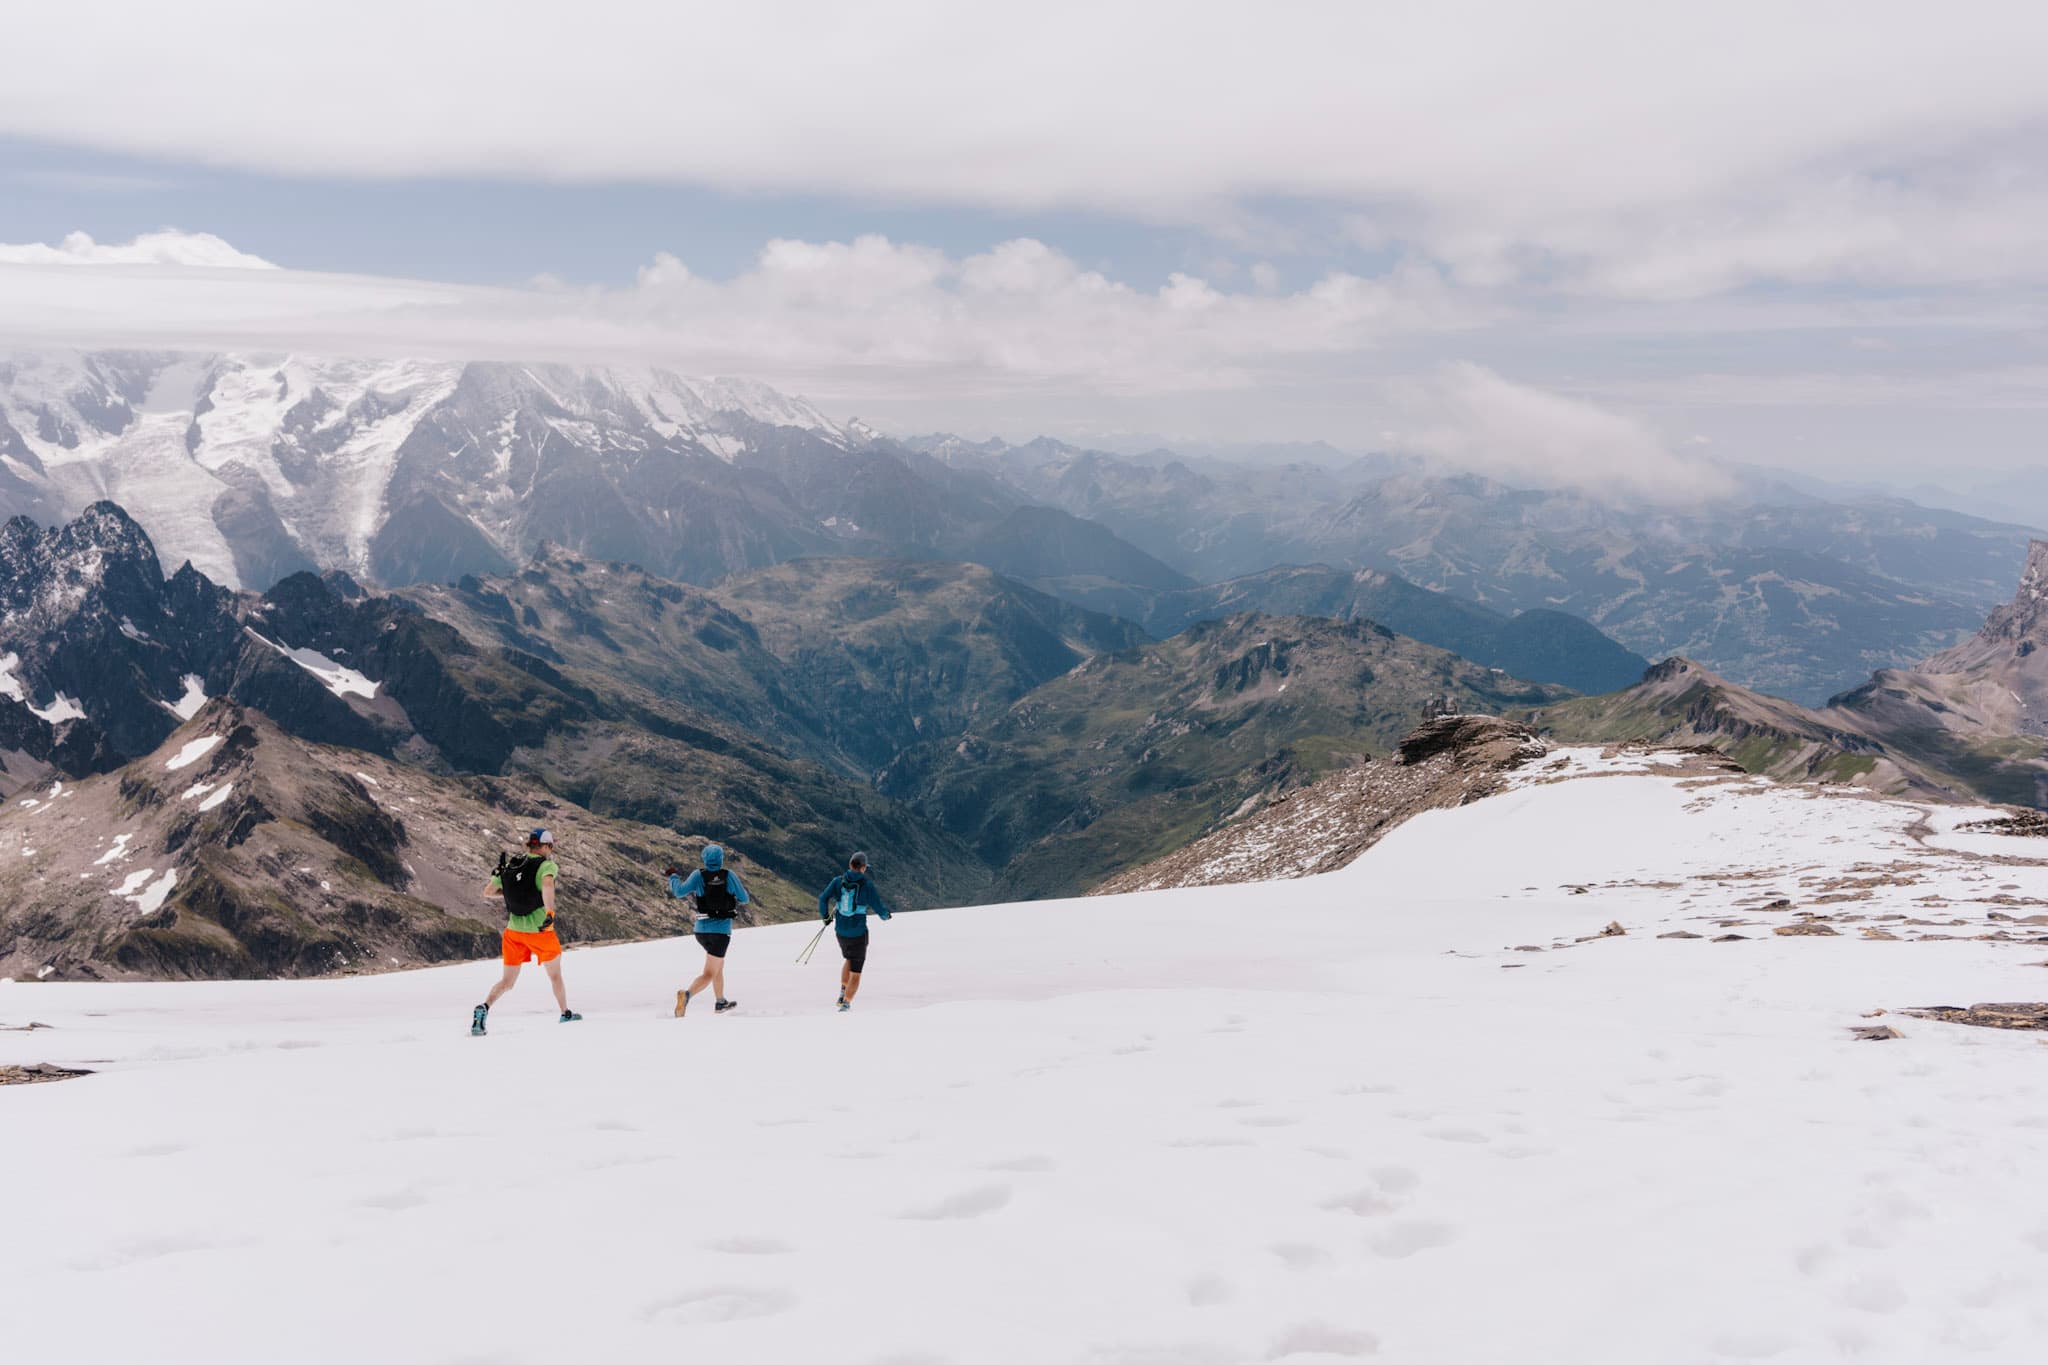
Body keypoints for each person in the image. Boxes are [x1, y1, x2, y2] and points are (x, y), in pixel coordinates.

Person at [471, 828, 580, 1034]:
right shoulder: (547, 865)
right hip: (540, 931)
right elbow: (548, 885)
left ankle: (483, 1007)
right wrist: (550, 912)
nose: (552, 850)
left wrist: (510, 892)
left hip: (513, 933)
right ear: (546, 846)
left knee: (507, 982)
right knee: (555, 976)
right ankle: (565, 1013)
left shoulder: (512, 864)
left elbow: (488, 892)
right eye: (551, 846)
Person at [667, 843, 750, 1017]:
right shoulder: (728, 875)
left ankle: (720, 1002)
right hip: (721, 932)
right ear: (721, 859)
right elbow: (744, 898)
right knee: (709, 972)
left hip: (701, 931)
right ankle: (687, 995)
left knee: (718, 966)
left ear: (704, 859)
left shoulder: (699, 875)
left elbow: (680, 892)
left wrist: (673, 877)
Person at [817, 851, 891, 1012]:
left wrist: (826, 917)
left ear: (850, 865)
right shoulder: (867, 885)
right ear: (863, 868)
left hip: (841, 932)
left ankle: (843, 992)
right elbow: (879, 907)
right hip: (858, 933)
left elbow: (823, 899)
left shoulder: (837, 882)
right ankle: (846, 1005)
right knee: (856, 971)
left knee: (849, 958)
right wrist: (886, 916)